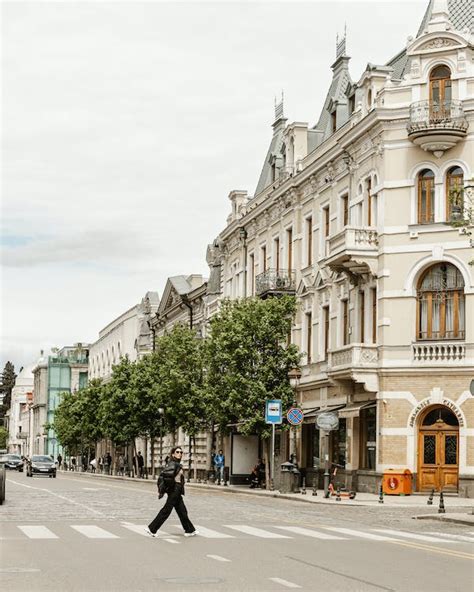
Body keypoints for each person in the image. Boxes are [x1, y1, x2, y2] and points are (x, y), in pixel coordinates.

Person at [145, 446, 197, 538]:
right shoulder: (173, 463)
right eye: (177, 452)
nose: (180, 454)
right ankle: (152, 528)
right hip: (175, 490)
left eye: (181, 452)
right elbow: (167, 476)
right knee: (166, 510)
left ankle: (189, 530)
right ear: (173, 454)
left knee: (182, 511)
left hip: (177, 490)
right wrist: (172, 487)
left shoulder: (176, 463)